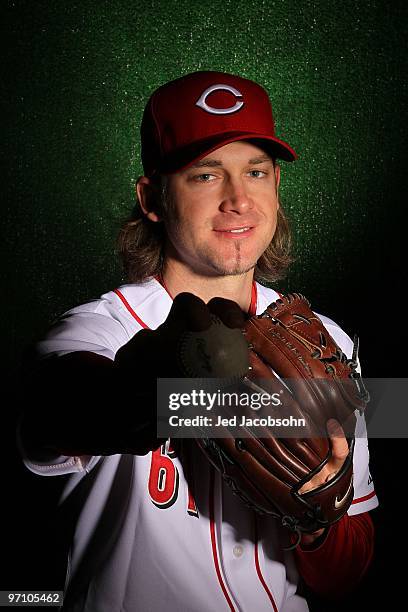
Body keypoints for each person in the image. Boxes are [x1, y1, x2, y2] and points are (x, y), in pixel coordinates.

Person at [18, 71, 378, 611]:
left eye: (255, 171)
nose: (238, 199)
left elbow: (349, 569)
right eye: (205, 174)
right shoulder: (97, 331)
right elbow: (59, 406)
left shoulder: (326, 343)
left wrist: (316, 522)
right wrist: (149, 393)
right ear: (153, 197)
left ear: (276, 187)